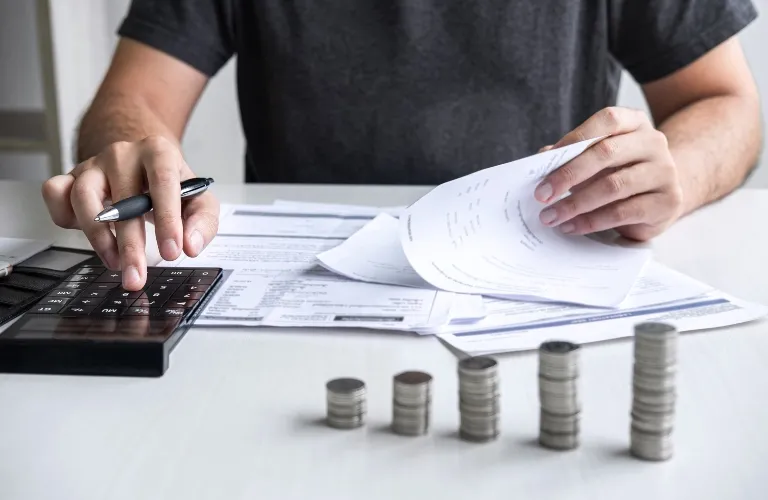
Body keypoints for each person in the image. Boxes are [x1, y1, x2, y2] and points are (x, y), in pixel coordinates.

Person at [42, 0, 763, 291]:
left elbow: (724, 102)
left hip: (541, 292)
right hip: (297, 295)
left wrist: (676, 174)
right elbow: (130, 102)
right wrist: (131, 147)